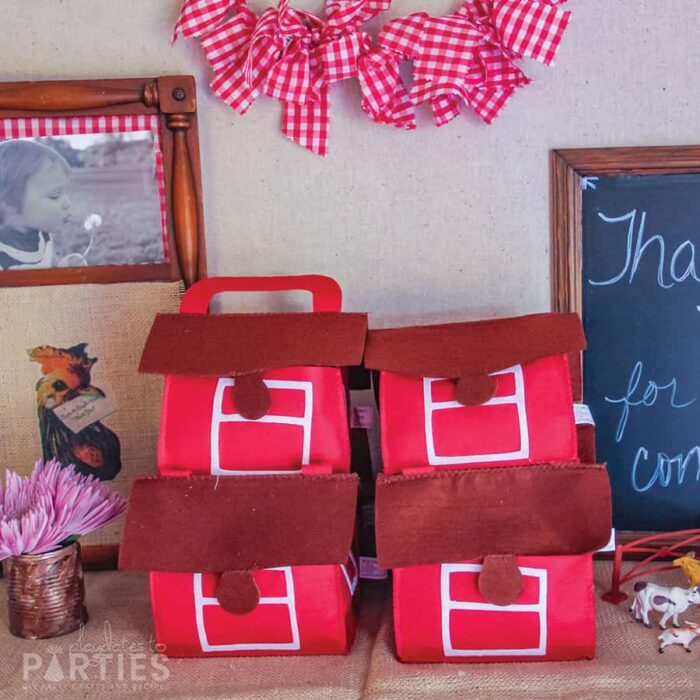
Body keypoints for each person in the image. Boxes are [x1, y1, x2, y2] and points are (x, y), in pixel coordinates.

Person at [0, 140, 72, 270]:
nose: (67, 203)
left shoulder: (44, 236)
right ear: (8, 203)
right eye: (53, 195)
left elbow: (50, 268)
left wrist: (64, 267)